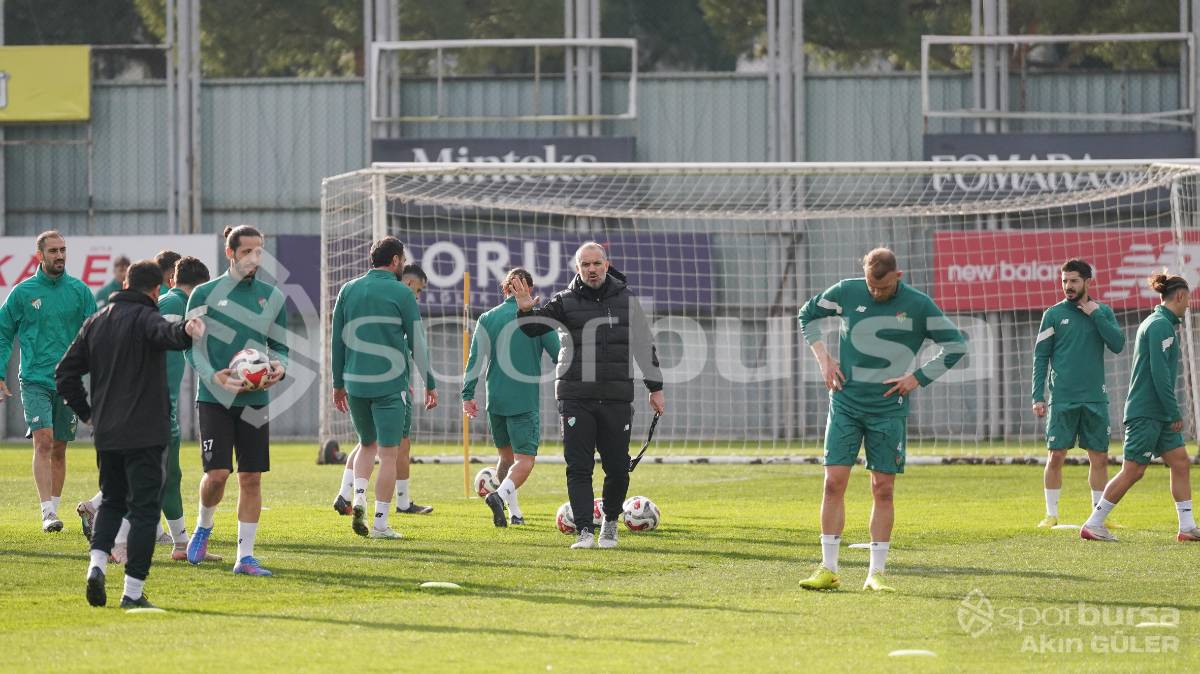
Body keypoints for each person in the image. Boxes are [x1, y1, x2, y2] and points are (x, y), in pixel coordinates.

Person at [796, 247, 967, 592]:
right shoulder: (847, 291)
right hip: (845, 403)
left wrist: (917, 377)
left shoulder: (918, 305)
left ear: (898, 276)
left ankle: (877, 573)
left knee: (882, 488)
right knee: (833, 482)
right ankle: (828, 567)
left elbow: (956, 345)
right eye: (871, 287)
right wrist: (824, 358)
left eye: (884, 289)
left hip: (888, 410)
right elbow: (807, 315)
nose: (876, 293)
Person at [55, 260, 205, 608]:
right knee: (143, 512)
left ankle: (96, 567)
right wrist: (187, 330)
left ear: (125, 283)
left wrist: (88, 414)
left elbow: (65, 373)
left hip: (107, 432)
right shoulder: (147, 318)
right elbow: (167, 334)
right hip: (146, 431)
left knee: (112, 501)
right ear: (155, 291)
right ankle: (132, 593)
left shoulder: (96, 323)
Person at [510, 242, 665, 550]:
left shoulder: (627, 300)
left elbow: (643, 344)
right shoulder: (564, 301)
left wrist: (655, 388)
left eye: (596, 263)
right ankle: (584, 531)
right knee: (579, 466)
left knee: (618, 467)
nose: (591, 269)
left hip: (616, 396)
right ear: (578, 269)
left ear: (606, 265)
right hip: (575, 396)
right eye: (585, 265)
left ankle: (609, 525)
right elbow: (533, 327)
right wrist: (526, 307)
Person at [184, 225, 288, 576]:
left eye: (259, 251)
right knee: (217, 474)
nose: (254, 258)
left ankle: (245, 557)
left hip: (255, 400)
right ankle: (203, 526)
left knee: (251, 478)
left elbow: (282, 349)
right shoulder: (203, 292)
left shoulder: (272, 296)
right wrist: (214, 375)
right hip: (214, 399)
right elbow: (192, 349)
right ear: (230, 253)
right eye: (247, 251)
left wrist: (278, 367)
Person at [78, 250, 189, 553]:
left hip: (133, 408)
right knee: (150, 474)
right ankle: (123, 548)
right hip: (148, 406)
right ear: (169, 278)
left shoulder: (148, 308)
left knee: (146, 475)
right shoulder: (164, 305)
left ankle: (151, 538)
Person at [1081, 272, 1200, 543]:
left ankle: (1187, 526)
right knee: (1133, 470)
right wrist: (1173, 411)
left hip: (1157, 413)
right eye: (1188, 299)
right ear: (1180, 296)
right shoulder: (1159, 325)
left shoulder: (1163, 324)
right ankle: (1093, 523)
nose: (1189, 304)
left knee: (1180, 462)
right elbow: (1160, 375)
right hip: (1147, 412)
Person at [330, 238, 434, 540]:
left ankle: (358, 496)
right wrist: (430, 382)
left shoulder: (347, 290)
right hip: (390, 385)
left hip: (355, 383)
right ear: (396, 260)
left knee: (366, 445)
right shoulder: (402, 292)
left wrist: (338, 383)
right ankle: (379, 524)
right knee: (388, 456)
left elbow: (337, 341)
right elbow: (417, 342)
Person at [0, 231, 97, 533]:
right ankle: (47, 513)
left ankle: (53, 508)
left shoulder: (80, 291)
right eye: (53, 251)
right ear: (39, 256)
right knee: (43, 440)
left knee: (59, 447)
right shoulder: (22, 293)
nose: (60, 256)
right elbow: (3, 332)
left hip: (68, 382)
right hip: (34, 380)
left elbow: (96, 334)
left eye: (63, 250)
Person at [1031, 259, 1125, 528]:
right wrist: (1038, 396)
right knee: (1056, 455)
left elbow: (1118, 344)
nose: (1067, 286)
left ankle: (1099, 516)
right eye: (1064, 281)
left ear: (1087, 282)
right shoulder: (1052, 314)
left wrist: (1095, 314)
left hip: (1096, 398)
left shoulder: (1103, 312)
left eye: (1073, 281)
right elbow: (1040, 358)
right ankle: (1051, 514)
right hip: (1062, 398)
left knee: (1098, 457)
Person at [463, 267, 560, 527]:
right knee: (524, 461)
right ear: (529, 290)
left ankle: (514, 514)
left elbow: (475, 360)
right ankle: (498, 496)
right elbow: (559, 355)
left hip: (496, 400)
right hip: (523, 401)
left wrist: (467, 394)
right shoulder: (537, 320)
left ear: (505, 289)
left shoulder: (487, 318)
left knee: (506, 459)